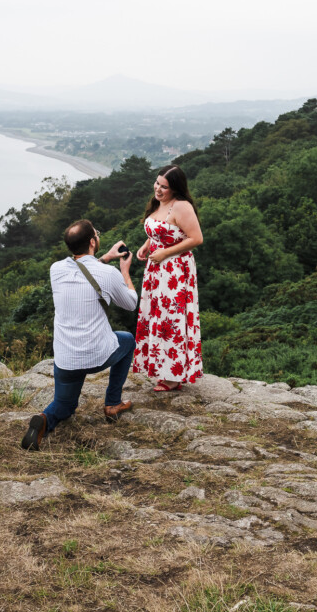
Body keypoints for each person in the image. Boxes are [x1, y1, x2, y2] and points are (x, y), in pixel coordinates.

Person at [21, 219, 138, 451]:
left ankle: (45, 419)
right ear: (93, 241)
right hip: (97, 355)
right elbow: (131, 303)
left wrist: (105, 257)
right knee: (127, 340)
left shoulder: (56, 270)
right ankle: (113, 403)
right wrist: (124, 273)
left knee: (64, 406)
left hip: (67, 359)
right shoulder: (109, 273)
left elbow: (84, 270)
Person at [132, 165, 203, 391]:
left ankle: (174, 376)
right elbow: (161, 232)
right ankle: (161, 368)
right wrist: (147, 246)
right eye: (157, 183)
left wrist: (164, 253)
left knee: (171, 320)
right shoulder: (158, 203)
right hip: (156, 270)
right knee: (156, 318)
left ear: (175, 189)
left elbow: (196, 238)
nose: (158, 189)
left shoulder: (181, 206)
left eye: (164, 187)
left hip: (175, 271)